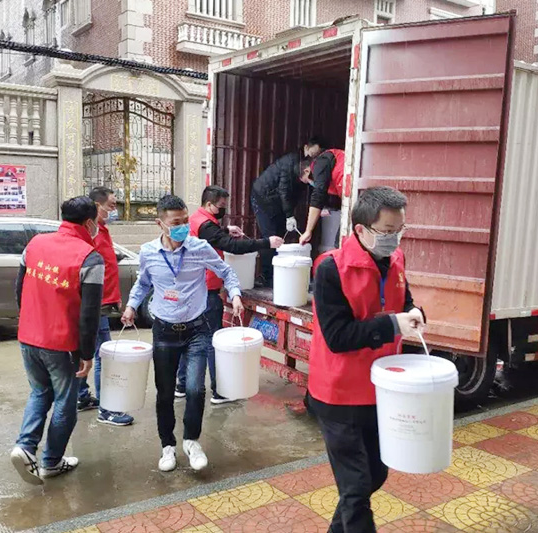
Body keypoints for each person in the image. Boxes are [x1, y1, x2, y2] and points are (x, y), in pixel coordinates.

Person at [307, 187, 426, 532]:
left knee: (375, 473)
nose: (394, 239)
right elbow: (338, 337)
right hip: (338, 394)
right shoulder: (331, 269)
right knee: (356, 488)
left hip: (379, 388)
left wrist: (413, 313)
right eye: (387, 231)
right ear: (361, 229)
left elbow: (403, 301)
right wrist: (392, 325)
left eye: (400, 230)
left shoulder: (395, 259)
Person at [122, 194, 244, 473]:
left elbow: (226, 272)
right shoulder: (149, 252)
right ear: (160, 224)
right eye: (176, 223)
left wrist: (235, 294)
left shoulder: (199, 247)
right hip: (164, 331)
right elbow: (143, 283)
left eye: (185, 221)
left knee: (195, 389)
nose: (183, 227)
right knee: (165, 393)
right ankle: (167, 445)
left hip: (196, 329)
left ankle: (191, 441)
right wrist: (131, 306)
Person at [10, 196, 103, 485]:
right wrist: (87, 354)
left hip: (28, 335)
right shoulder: (90, 257)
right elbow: (89, 314)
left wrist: (29, 320)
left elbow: (19, 289)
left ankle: (25, 447)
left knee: (39, 392)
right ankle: (51, 462)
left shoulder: (35, 244)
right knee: (65, 401)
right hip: (61, 343)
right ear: (89, 223)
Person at [178, 185, 284, 404]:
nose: (223, 210)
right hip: (206, 293)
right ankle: (220, 391)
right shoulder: (206, 225)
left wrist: (226, 229)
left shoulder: (198, 219)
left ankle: (181, 385)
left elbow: (215, 236)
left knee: (189, 339)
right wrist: (267, 242)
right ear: (209, 204)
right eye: (221, 206)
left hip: (192, 292)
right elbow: (231, 246)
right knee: (213, 342)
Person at [76, 187, 134, 426]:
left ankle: (81, 397)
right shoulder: (89, 234)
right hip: (94, 304)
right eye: (110, 205)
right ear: (96, 206)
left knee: (86, 352)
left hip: (103, 300)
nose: (114, 210)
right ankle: (107, 409)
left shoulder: (102, 231)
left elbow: (108, 268)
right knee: (103, 356)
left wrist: (116, 296)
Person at [251, 136, 325, 286]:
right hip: (263, 197)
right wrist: (289, 215)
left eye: (318, 154)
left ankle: (279, 275)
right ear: (306, 147)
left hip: (277, 202)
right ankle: (265, 276)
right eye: (313, 152)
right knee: (270, 237)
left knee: (279, 237)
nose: (315, 156)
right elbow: (284, 190)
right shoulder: (290, 162)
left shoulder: (308, 165)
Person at [299, 148, 345, 253]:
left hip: (358, 198)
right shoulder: (333, 160)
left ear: (307, 171)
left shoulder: (320, 163)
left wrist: (308, 231)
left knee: (340, 244)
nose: (311, 183)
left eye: (308, 180)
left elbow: (318, 195)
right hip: (359, 196)